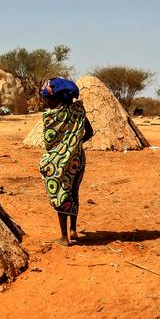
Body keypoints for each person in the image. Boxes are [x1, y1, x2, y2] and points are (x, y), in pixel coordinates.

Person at [38, 77, 93, 245]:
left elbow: (49, 142)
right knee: (73, 192)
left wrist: (63, 149)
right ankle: (73, 230)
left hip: (58, 162)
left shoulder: (51, 117)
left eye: (47, 99)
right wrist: (73, 145)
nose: (46, 102)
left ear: (56, 98)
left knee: (60, 193)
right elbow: (89, 132)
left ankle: (64, 237)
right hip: (77, 159)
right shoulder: (78, 112)